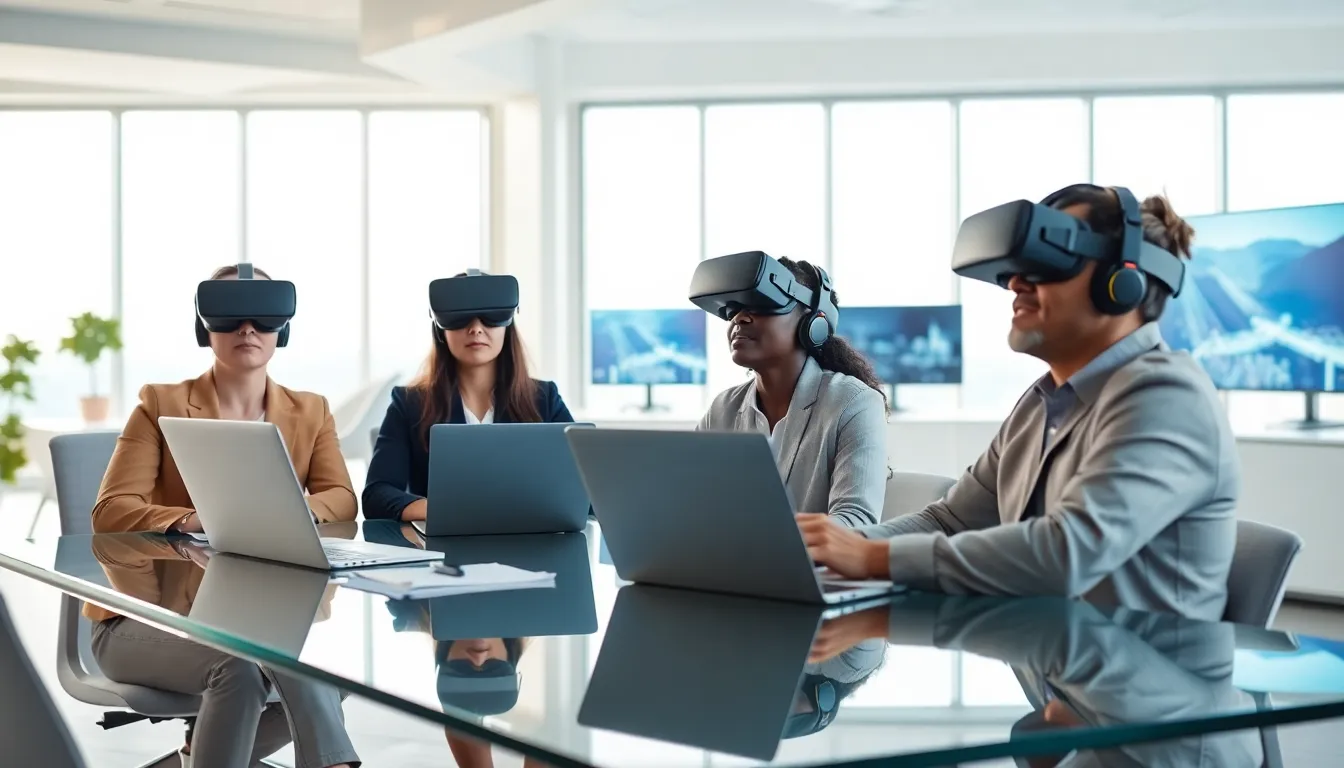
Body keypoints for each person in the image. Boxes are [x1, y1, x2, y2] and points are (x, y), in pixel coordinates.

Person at [799, 185, 1239, 622]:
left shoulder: (1167, 396)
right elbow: (951, 522)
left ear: (1122, 282)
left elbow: (1065, 554)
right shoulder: (1040, 404)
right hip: (1056, 669)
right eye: (1018, 268)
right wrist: (826, 557)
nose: (1015, 282)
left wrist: (872, 558)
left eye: (1047, 265)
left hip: (1149, 683)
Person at [89, 263, 360, 768]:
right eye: (230, 317)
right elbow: (111, 512)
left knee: (324, 674)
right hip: (144, 622)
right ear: (203, 328)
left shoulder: (311, 410)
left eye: (263, 317)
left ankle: (202, 756)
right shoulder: (160, 403)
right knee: (241, 667)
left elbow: (342, 498)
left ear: (283, 328)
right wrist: (202, 517)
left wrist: (289, 509)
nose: (247, 329)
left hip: (262, 619)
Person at [694, 252, 889, 527]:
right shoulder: (724, 408)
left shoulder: (854, 403)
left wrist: (768, 540)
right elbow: (691, 500)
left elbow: (856, 523)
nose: (740, 318)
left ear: (814, 324)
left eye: (761, 305)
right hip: (727, 566)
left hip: (815, 570)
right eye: (734, 309)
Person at [363, 271, 573, 522]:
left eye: (489, 319)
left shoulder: (544, 399)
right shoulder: (410, 404)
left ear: (508, 325)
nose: (476, 329)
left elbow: (586, 488)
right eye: (461, 320)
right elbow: (376, 495)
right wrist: (448, 512)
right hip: (441, 551)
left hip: (532, 546)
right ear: (441, 329)